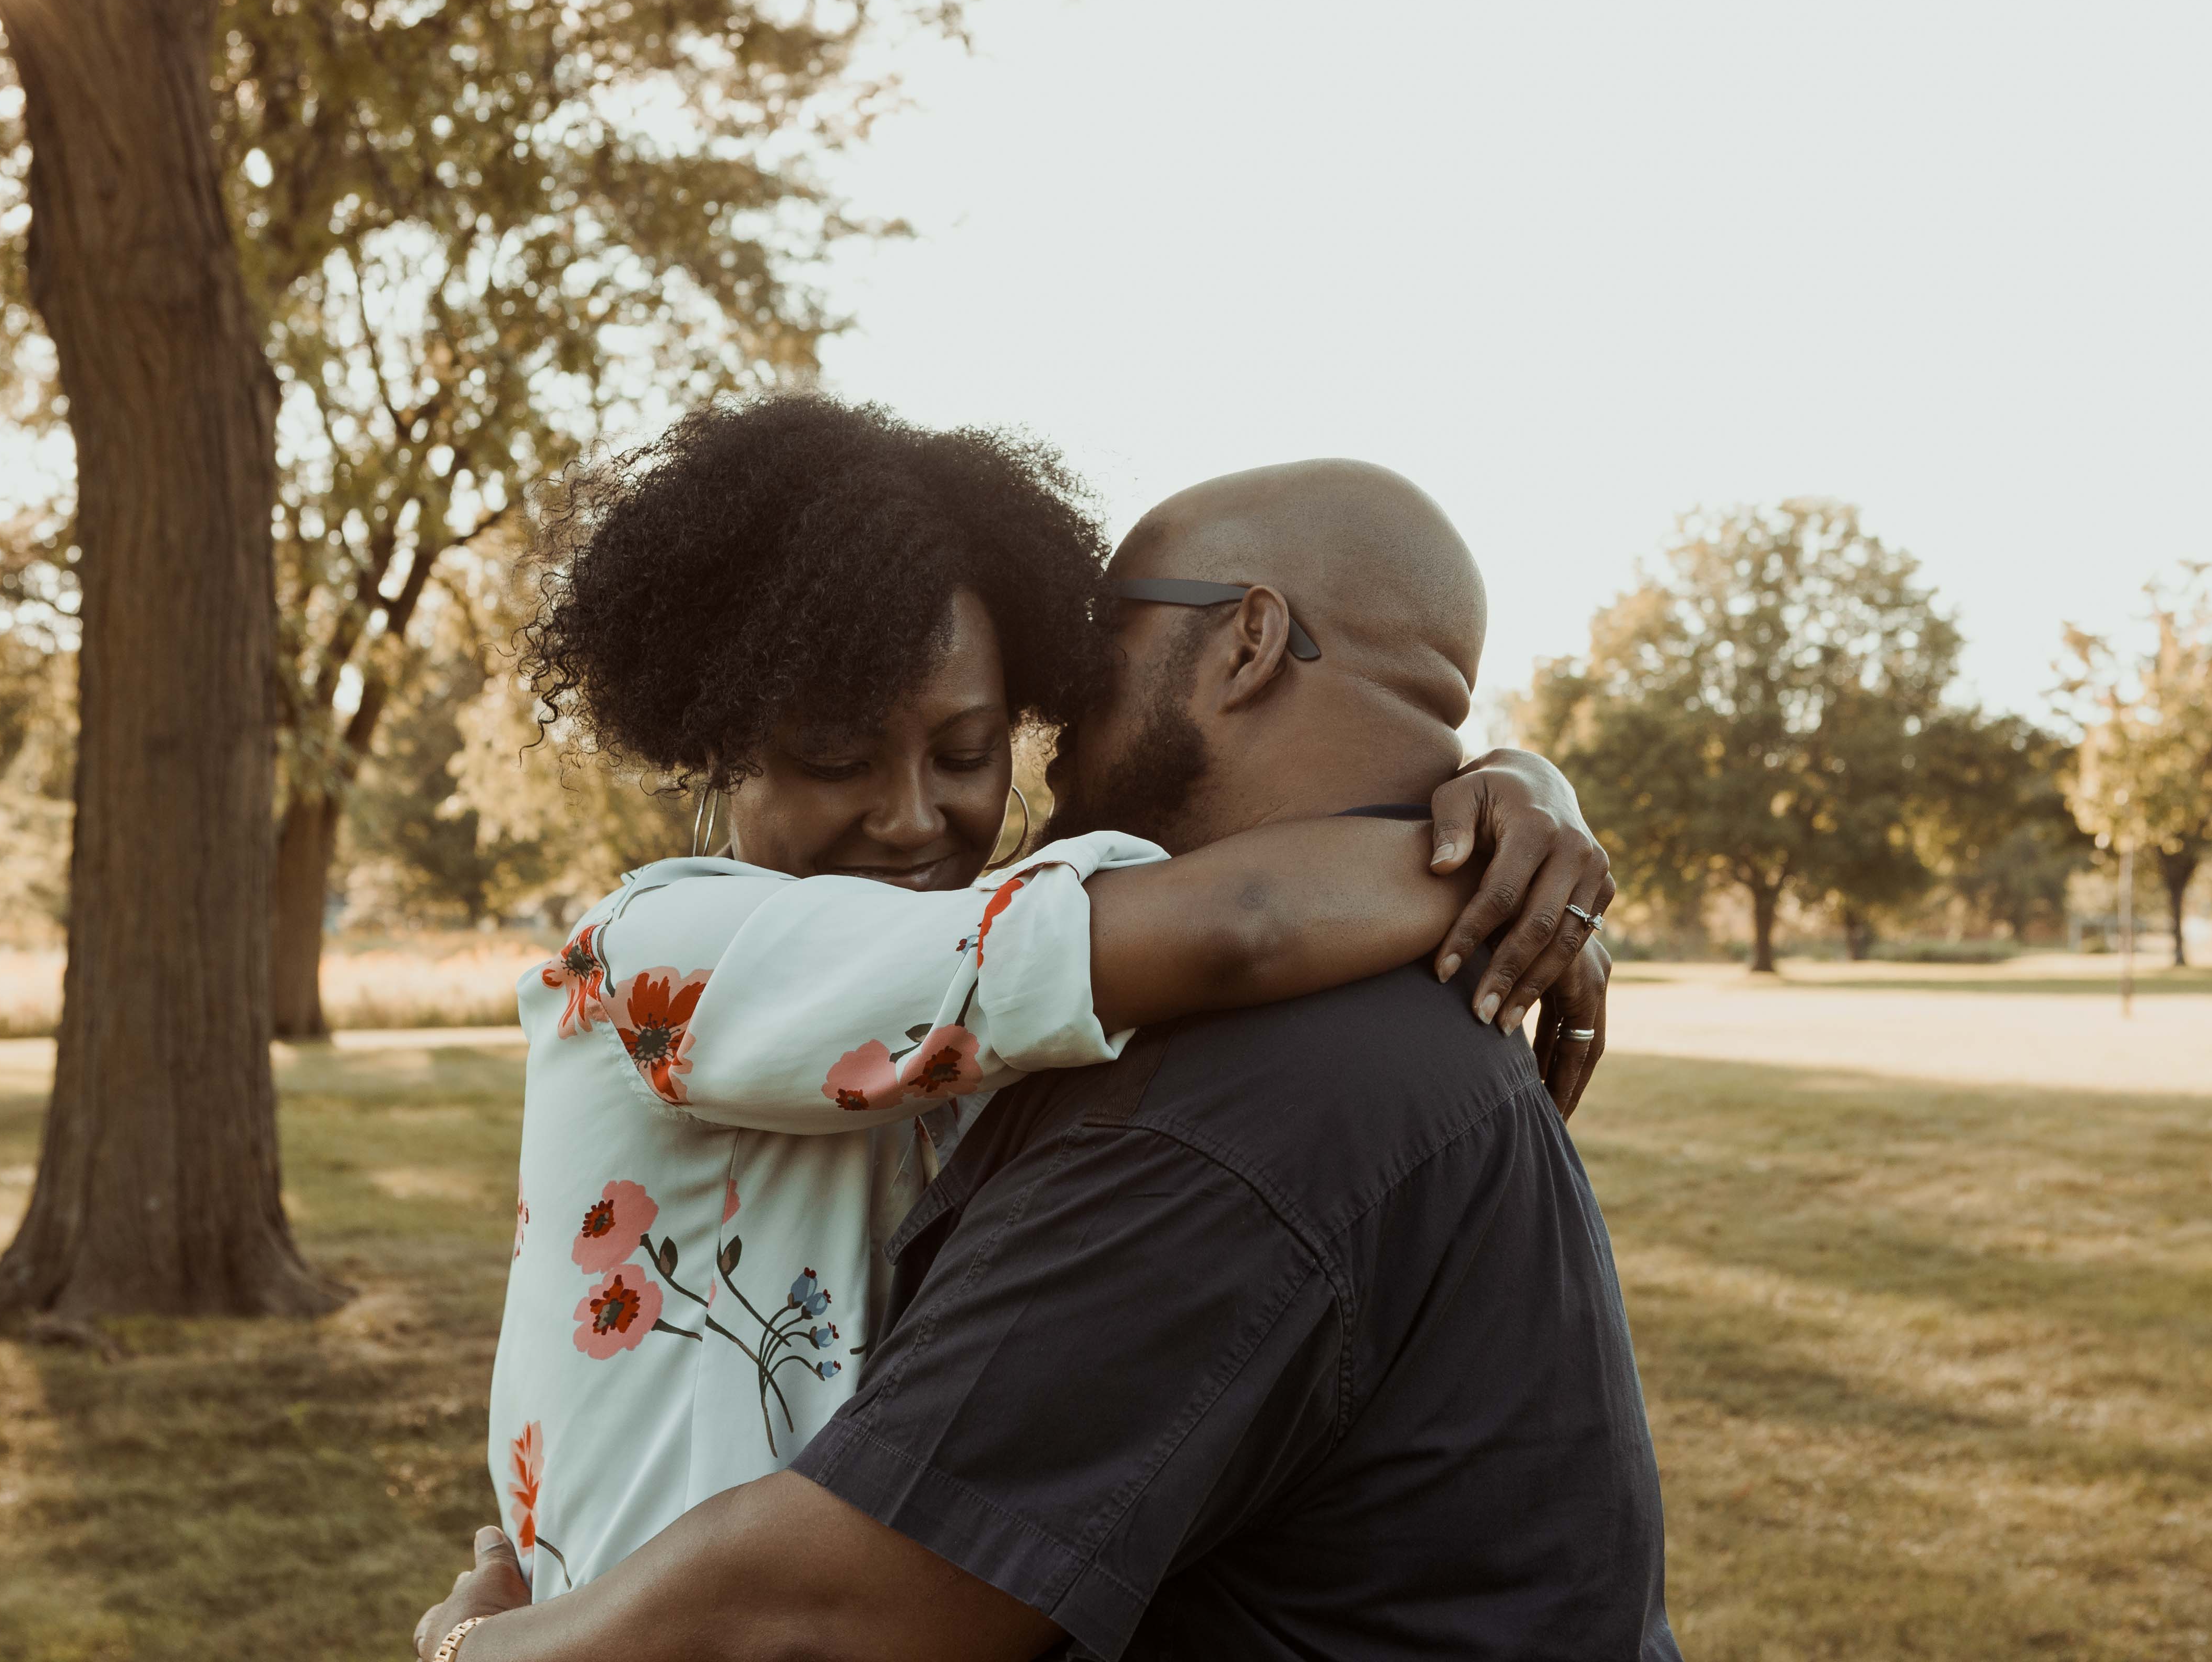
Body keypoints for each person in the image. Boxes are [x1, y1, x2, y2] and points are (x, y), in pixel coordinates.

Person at [414, 456, 1671, 1662]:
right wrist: (1506, 856)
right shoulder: (667, 947)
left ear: (1248, 641)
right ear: (720, 746)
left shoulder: (1189, 1049)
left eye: (972, 752)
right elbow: (1237, 922)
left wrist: (1517, 809)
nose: (915, 816)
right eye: (837, 759)